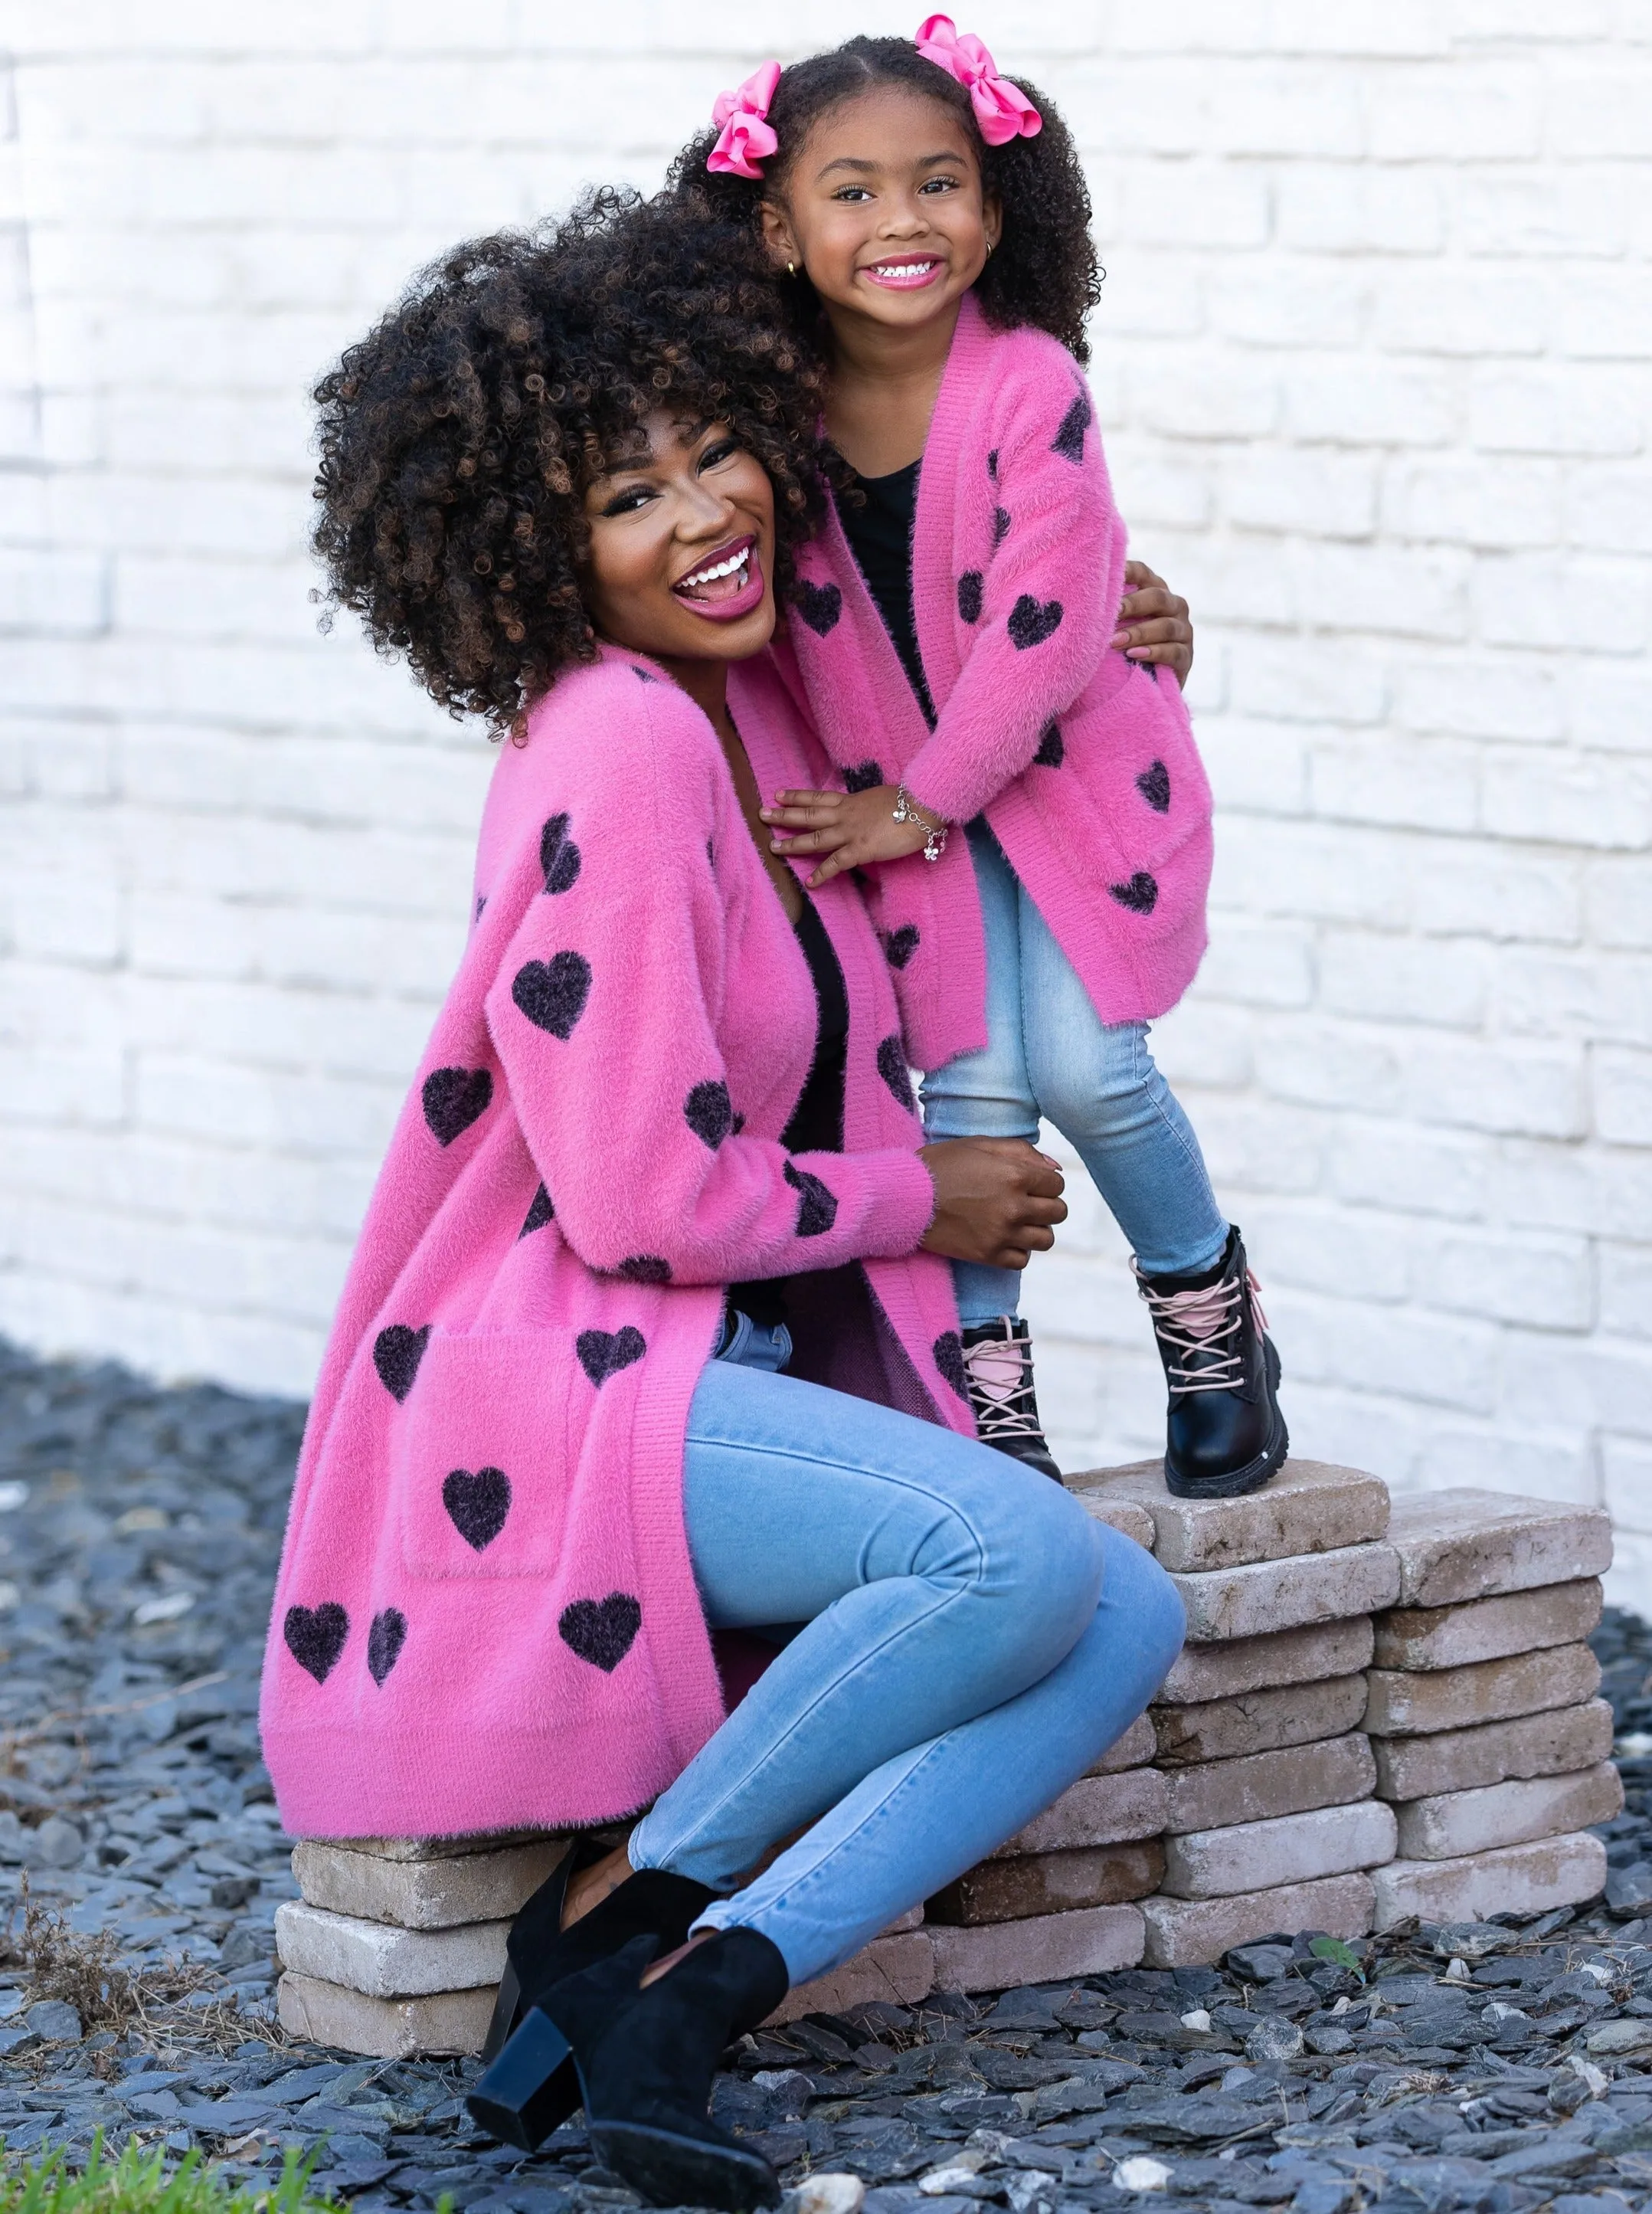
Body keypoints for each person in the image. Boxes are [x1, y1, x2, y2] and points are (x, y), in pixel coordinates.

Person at [265, 193, 1185, 2214]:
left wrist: (1097, 618)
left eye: (716, 448)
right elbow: (629, 1183)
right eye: (626, 489)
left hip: (663, 1369)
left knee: (1128, 1607)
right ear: (528, 548)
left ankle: (680, 1998)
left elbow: (940, 690)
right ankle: (611, 1916)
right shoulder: (618, 743)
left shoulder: (724, 706)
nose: (704, 511)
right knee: (1007, 1562)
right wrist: (910, 1192)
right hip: (545, 1375)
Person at [672, 25, 1287, 1501]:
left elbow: (1046, 624)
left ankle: (1211, 1323)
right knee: (968, 1092)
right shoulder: (775, 416)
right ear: (777, 224)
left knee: (1095, 1066)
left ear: (997, 209)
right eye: (855, 192)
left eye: (940, 184)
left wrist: (915, 804)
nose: (902, 223)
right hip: (907, 821)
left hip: (1059, 789)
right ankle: (985, 1408)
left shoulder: (1030, 384)